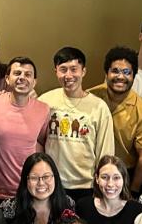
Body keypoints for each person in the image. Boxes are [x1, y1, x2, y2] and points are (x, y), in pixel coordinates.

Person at [39, 46, 116, 198]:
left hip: (86, 186)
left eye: (74, 69)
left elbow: (105, 152)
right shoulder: (45, 101)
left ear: (83, 71)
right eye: (63, 69)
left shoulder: (99, 107)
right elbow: (36, 140)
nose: (68, 75)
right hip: (53, 184)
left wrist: (102, 184)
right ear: (56, 72)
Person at [86, 46, 142, 190]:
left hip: (123, 174)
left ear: (133, 76)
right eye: (115, 71)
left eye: (126, 72)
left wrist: (133, 191)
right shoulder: (90, 97)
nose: (120, 77)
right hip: (89, 171)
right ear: (106, 73)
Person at [0, 57, 50, 201]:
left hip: (28, 190)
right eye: (17, 73)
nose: (22, 78)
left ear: (34, 82)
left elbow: (42, 142)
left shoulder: (43, 109)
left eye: (27, 74)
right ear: (7, 79)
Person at [0, 152, 75, 224]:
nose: (41, 183)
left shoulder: (68, 204)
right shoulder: (9, 208)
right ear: (26, 180)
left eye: (46, 177)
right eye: (34, 178)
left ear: (55, 177)